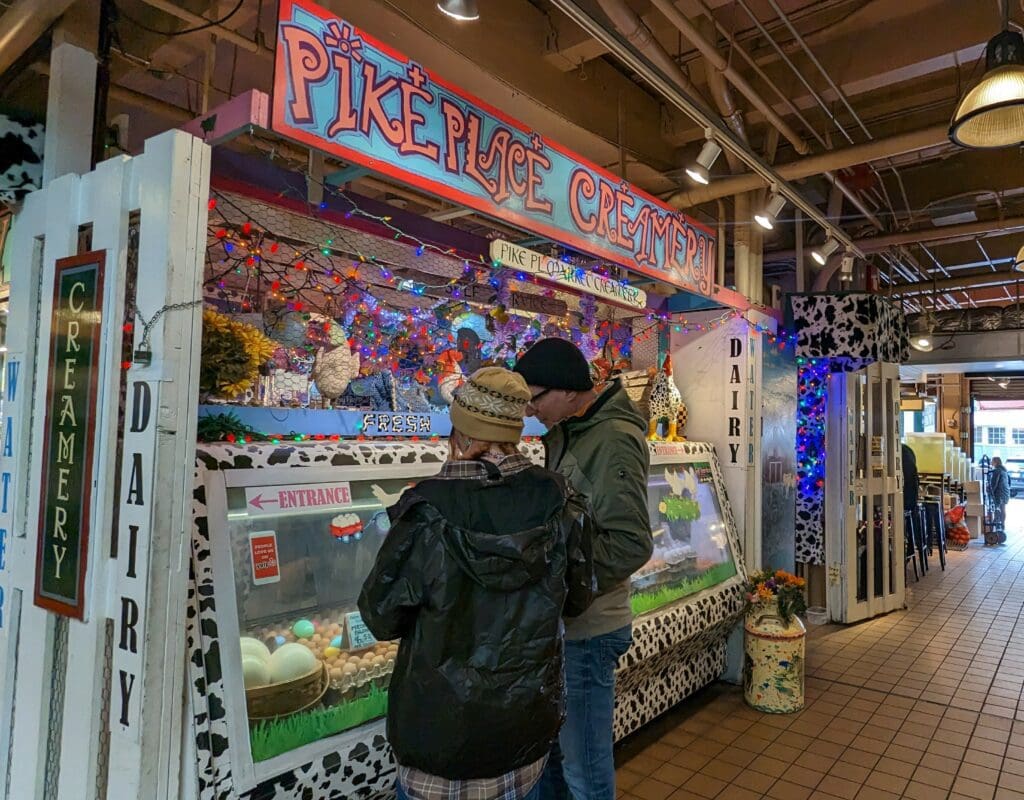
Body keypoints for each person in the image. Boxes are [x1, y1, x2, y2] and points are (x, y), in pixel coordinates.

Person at [358, 366, 595, 800]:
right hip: (525, 737)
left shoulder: (425, 511)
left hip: (440, 745)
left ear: (463, 437)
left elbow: (380, 617)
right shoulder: (560, 497)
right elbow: (579, 597)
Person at [514, 338, 652, 800]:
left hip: (589, 630)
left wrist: (561, 587)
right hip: (567, 627)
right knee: (556, 763)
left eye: (536, 397)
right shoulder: (573, 429)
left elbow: (631, 542)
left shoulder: (611, 439)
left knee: (585, 771)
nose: (530, 410)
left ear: (570, 390)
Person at [990, 455, 1011, 529]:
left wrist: (990, 491)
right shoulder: (1004, 470)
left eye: (992, 461)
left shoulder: (997, 470)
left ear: (995, 462)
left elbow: (994, 483)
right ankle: (1002, 524)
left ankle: (996, 523)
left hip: (1000, 493)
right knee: (1003, 508)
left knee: (998, 508)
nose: (991, 462)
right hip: (1006, 492)